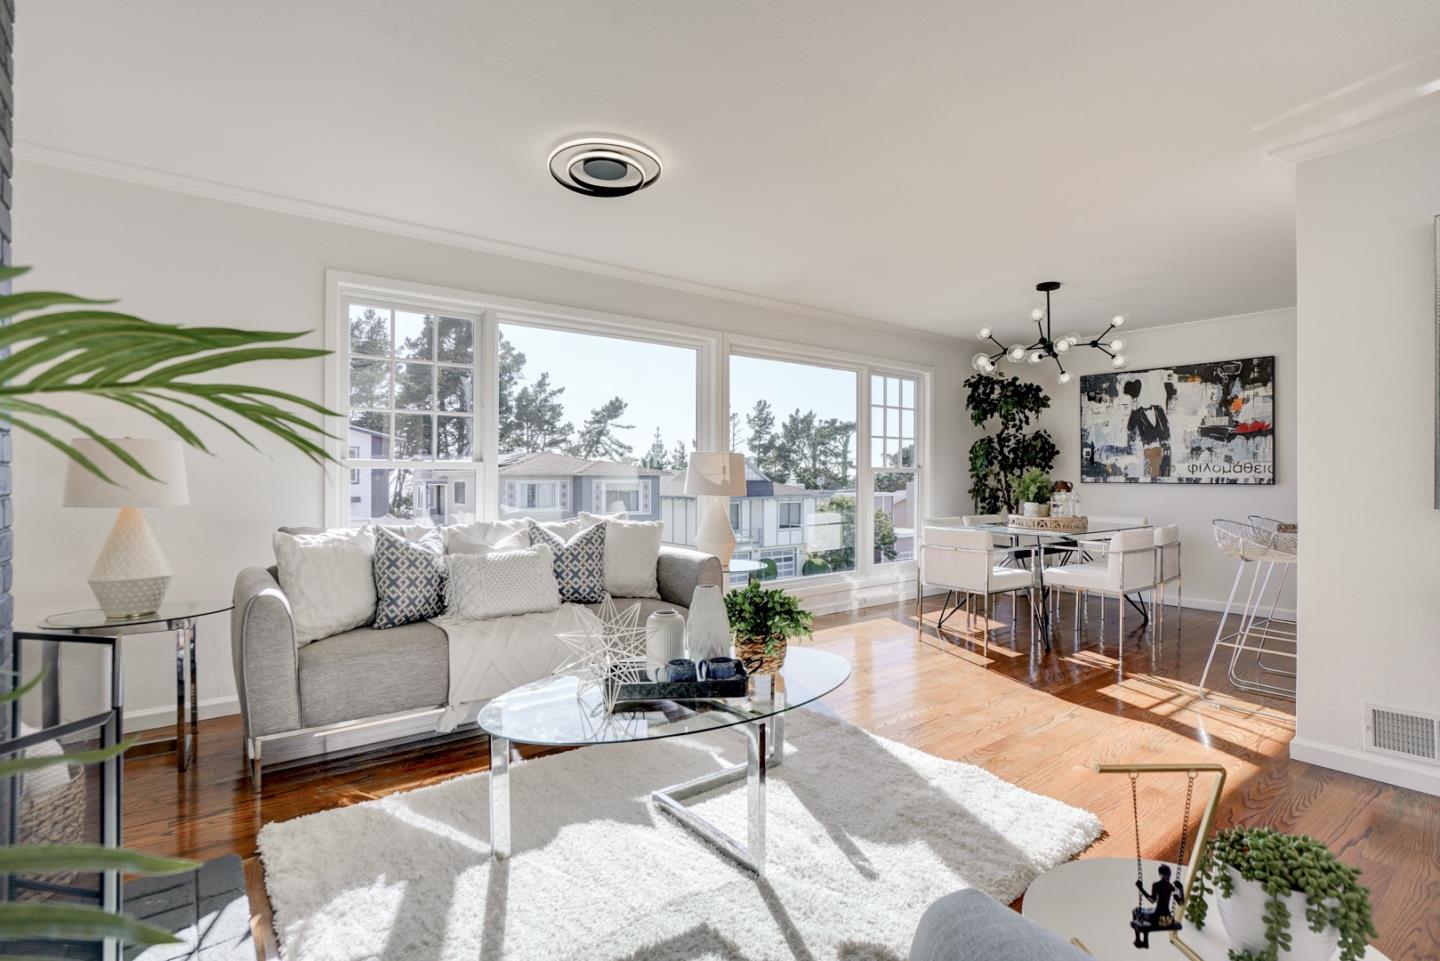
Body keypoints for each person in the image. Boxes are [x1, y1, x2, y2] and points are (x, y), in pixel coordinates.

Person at [1130, 864, 1182, 948]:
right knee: (1148, 910)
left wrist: (1140, 888)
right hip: (1168, 919)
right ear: (1169, 874)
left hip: (1157, 919)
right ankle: (1144, 941)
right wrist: (1181, 889)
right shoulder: (1171, 887)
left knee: (1137, 911)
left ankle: (1140, 940)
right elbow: (1180, 902)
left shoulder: (1157, 885)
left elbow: (1152, 900)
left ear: (1160, 874)